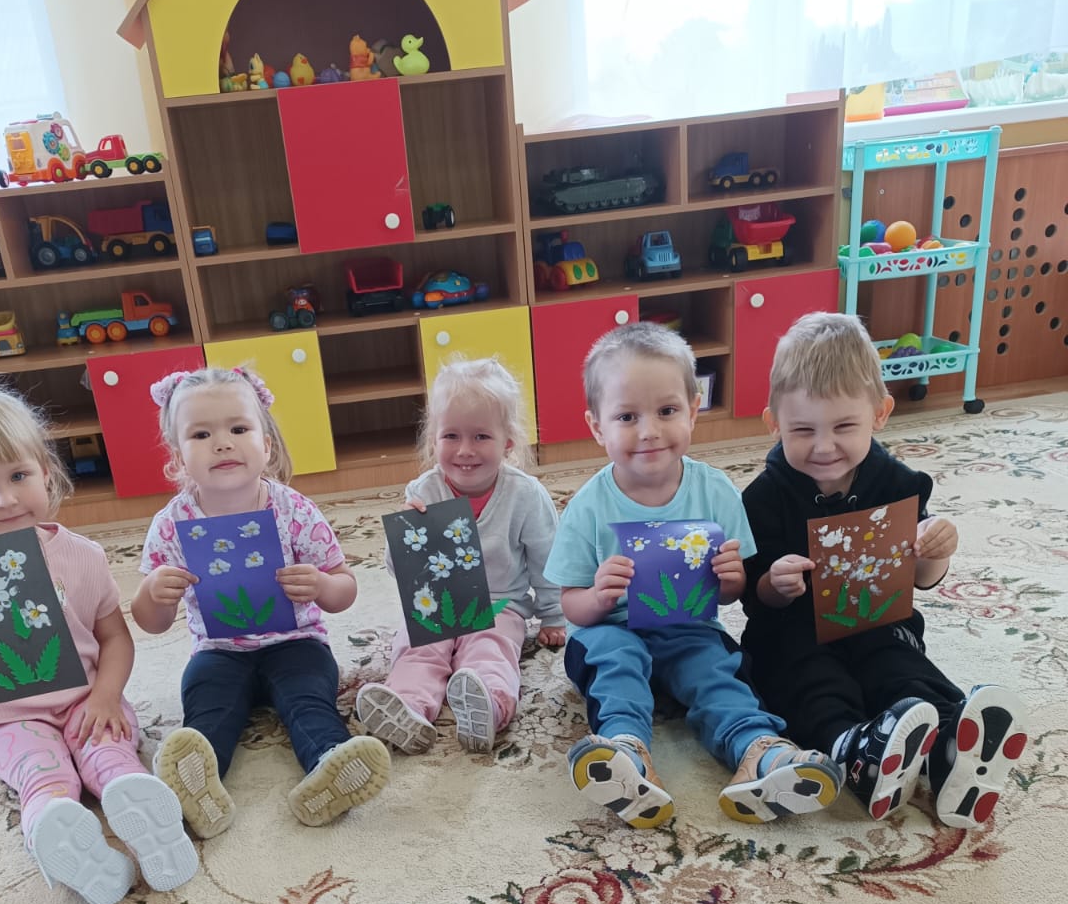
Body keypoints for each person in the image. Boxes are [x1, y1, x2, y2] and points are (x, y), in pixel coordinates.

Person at [0, 375, 197, 904]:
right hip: (11, 716)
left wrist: (106, 695)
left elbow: (114, 637)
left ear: (46, 472)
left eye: (18, 475)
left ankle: (133, 799)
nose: (4, 499)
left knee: (109, 748)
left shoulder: (83, 555)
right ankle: (55, 826)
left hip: (85, 700)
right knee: (38, 771)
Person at [544, 322, 842, 828]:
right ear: (596, 427)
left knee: (717, 670)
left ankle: (760, 751)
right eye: (627, 417)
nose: (649, 431)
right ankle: (625, 753)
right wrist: (597, 597)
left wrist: (730, 578)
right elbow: (569, 602)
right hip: (610, 630)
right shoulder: (588, 506)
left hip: (688, 628)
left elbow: (730, 593)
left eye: (666, 411)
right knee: (616, 664)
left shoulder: (716, 491)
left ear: (693, 410)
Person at [741, 310, 1027, 827]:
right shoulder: (763, 496)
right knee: (811, 681)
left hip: (877, 618)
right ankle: (853, 750)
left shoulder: (898, 483)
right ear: (773, 423)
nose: (823, 446)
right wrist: (773, 583)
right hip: (792, 631)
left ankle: (951, 749)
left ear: (880, 413)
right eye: (802, 430)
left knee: (902, 667)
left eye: (844, 426)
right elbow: (752, 595)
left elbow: (922, 579)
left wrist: (935, 549)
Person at [132, 364, 389, 831]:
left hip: (298, 643)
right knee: (207, 707)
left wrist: (322, 585)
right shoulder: (172, 524)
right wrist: (155, 592)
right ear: (177, 458)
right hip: (218, 651)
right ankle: (195, 791)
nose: (222, 443)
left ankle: (331, 764)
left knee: (308, 700)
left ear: (266, 444)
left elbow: (345, 587)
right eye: (201, 434)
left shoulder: (294, 509)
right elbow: (150, 621)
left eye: (238, 429)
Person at [356, 356, 565, 755]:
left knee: (491, 648)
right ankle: (408, 707)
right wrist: (406, 534)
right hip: (436, 601)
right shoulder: (423, 490)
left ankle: (489, 704)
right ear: (433, 440)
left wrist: (554, 615)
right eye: (451, 436)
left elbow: (547, 557)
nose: (465, 450)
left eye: (481, 437)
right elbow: (399, 571)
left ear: (508, 441)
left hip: (499, 603)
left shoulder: (525, 494)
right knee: (417, 647)